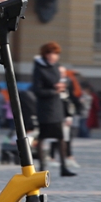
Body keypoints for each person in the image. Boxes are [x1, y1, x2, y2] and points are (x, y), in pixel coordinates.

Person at [31, 42, 76, 177]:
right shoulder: (39, 68)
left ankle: (63, 167)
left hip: (57, 107)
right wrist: (54, 90)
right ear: (46, 54)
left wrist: (63, 86)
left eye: (56, 54)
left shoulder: (56, 67)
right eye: (52, 53)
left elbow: (62, 82)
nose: (54, 57)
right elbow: (37, 90)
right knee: (42, 137)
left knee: (60, 137)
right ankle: (41, 167)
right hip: (45, 108)